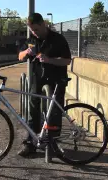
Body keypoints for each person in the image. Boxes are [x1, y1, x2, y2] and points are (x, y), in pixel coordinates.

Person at [18, 13, 72, 157]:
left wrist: (49, 60)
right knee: (33, 109)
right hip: (37, 80)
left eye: (36, 29)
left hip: (55, 80)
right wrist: (26, 51)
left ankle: (53, 143)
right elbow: (20, 56)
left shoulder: (58, 39)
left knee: (54, 113)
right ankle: (30, 143)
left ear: (43, 24)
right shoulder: (32, 40)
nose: (34, 32)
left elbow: (67, 60)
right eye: (31, 30)